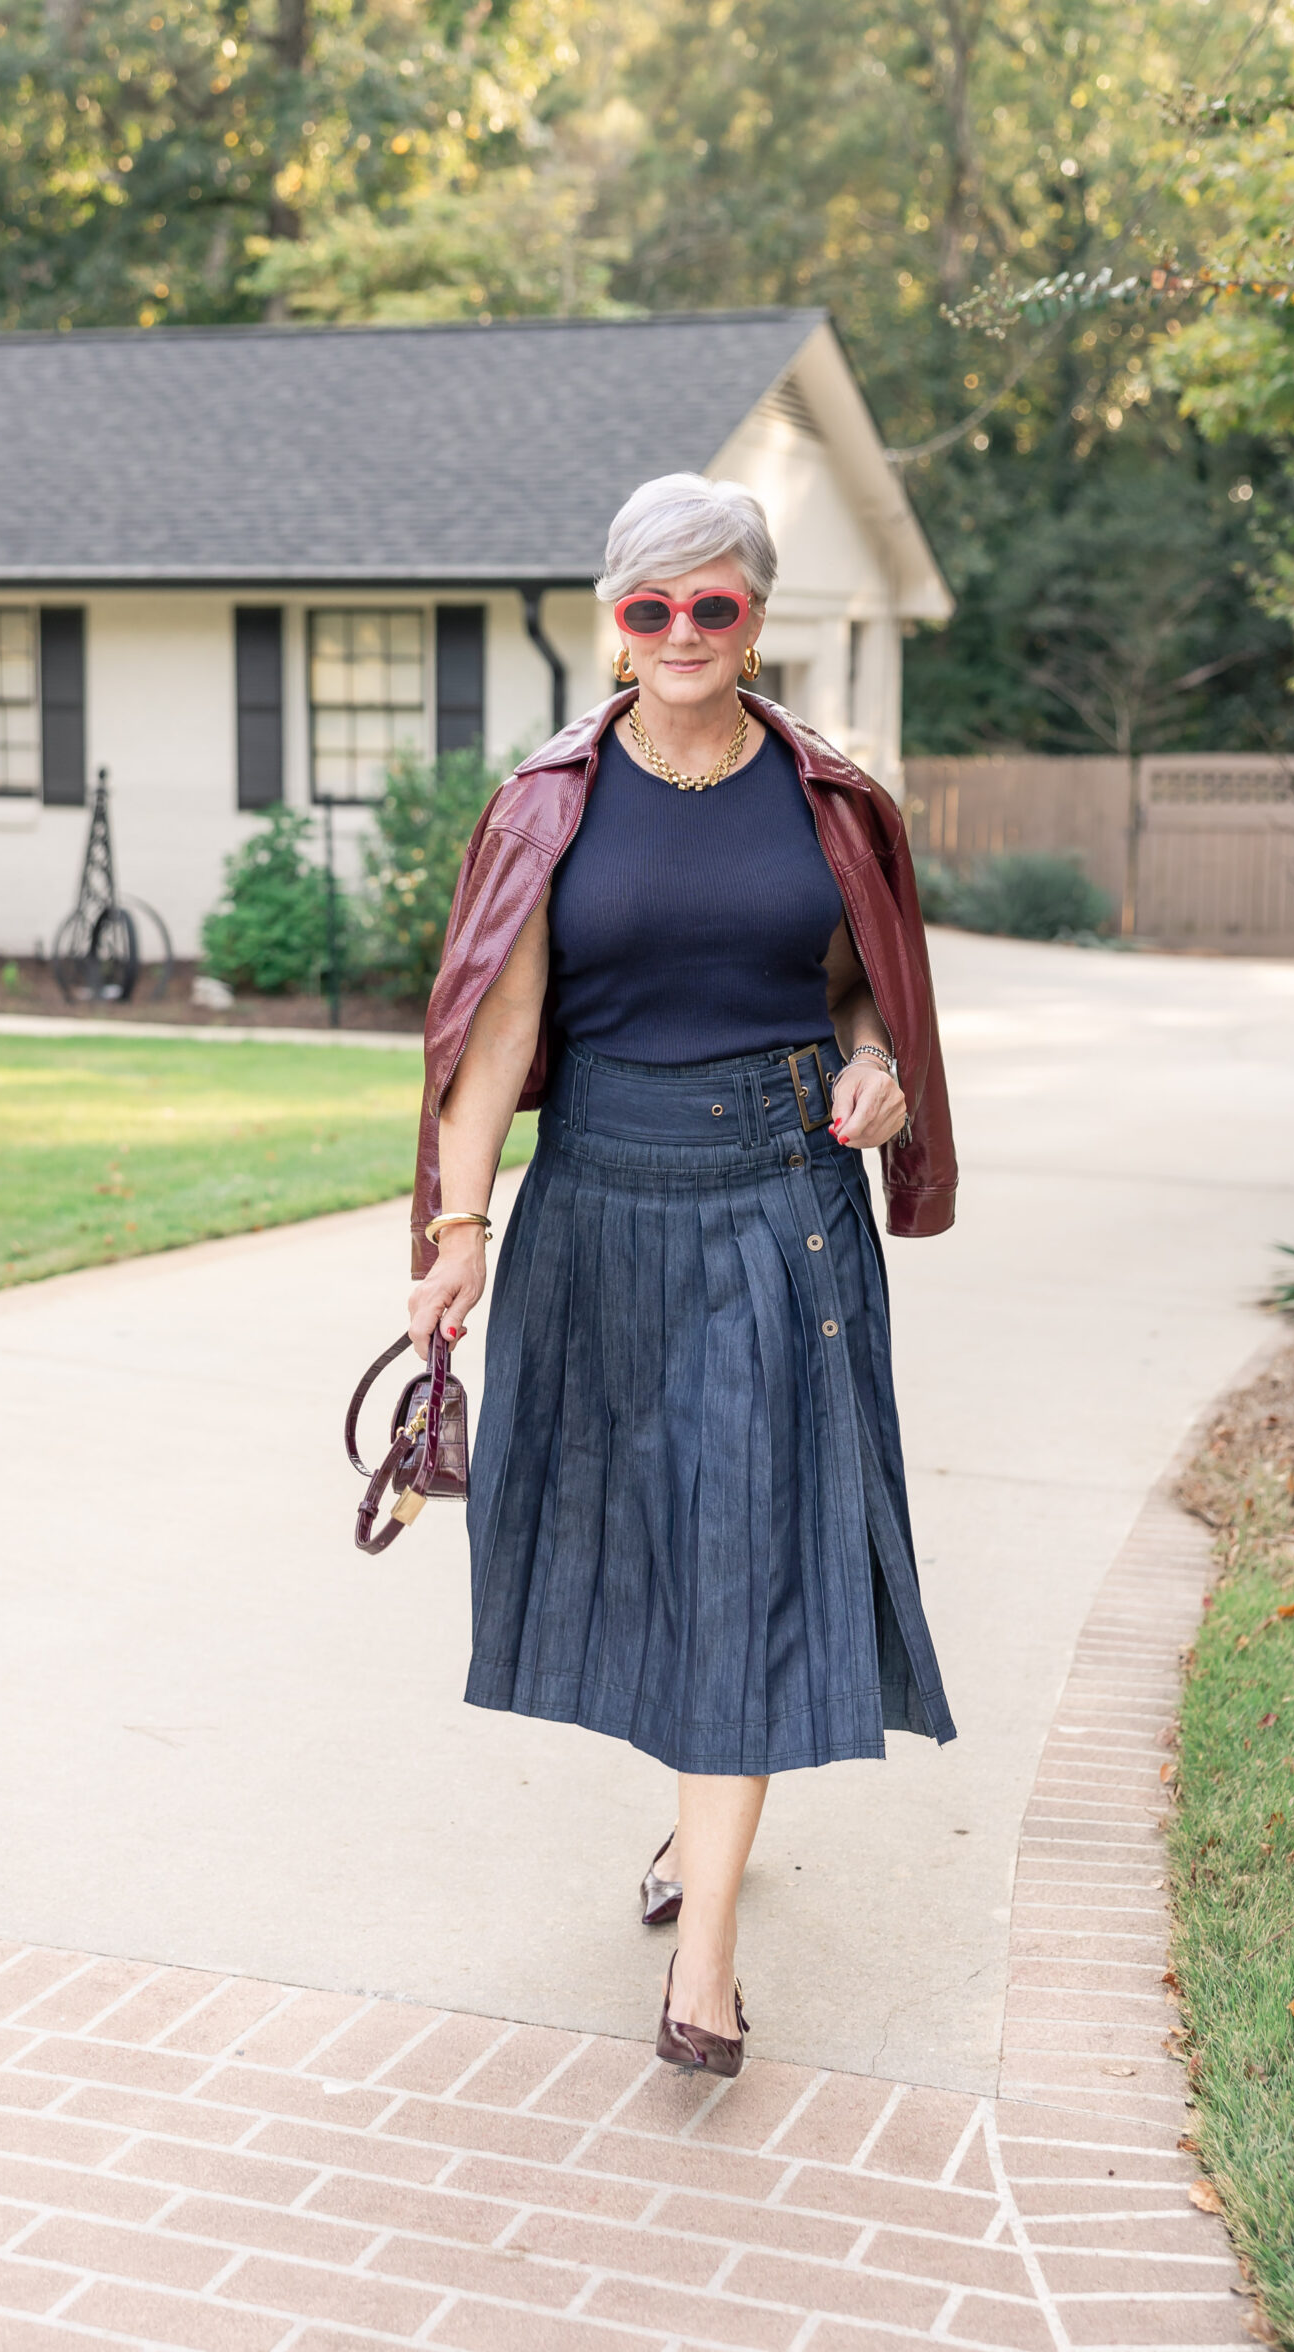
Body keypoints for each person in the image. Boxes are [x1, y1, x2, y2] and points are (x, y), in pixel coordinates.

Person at [407, 472, 957, 2077]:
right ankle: (697, 1839)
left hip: (785, 1203)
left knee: (757, 1549)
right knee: (662, 1543)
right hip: (599, 1206)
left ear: (757, 618)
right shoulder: (552, 801)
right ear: (615, 621)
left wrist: (880, 1075)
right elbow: (495, 1040)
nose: (681, 636)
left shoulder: (829, 798)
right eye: (649, 609)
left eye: (712, 606)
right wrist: (456, 1239)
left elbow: (863, 1000)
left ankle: (702, 1962)